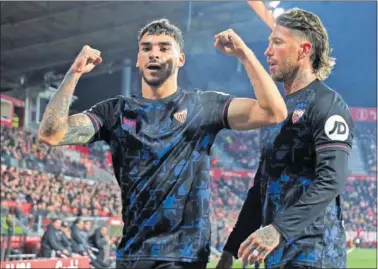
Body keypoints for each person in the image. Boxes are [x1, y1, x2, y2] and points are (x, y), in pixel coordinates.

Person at [38, 18, 287, 269]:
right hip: (133, 255)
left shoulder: (203, 106)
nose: (154, 53)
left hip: (184, 256)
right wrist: (74, 73)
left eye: (164, 47)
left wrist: (244, 54)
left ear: (181, 59)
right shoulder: (115, 111)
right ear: (138, 60)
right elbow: (52, 134)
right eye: (146, 48)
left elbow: (273, 112)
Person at [216, 8, 354, 269]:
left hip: (316, 255)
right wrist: (230, 250)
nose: (267, 51)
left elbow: (331, 179)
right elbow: (261, 187)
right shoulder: (275, 111)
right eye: (269, 43)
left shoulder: (328, 104)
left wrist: (277, 230)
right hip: (277, 257)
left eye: (277, 42)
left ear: (304, 50)